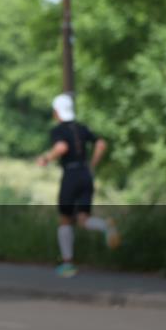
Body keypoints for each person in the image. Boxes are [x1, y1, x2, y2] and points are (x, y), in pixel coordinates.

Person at [37, 93, 120, 277]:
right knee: (83, 219)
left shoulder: (58, 130)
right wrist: (92, 165)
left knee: (65, 219)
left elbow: (61, 147)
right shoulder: (82, 128)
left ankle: (68, 264)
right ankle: (105, 226)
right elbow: (101, 144)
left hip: (71, 175)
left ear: (57, 112)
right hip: (86, 174)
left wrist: (46, 159)